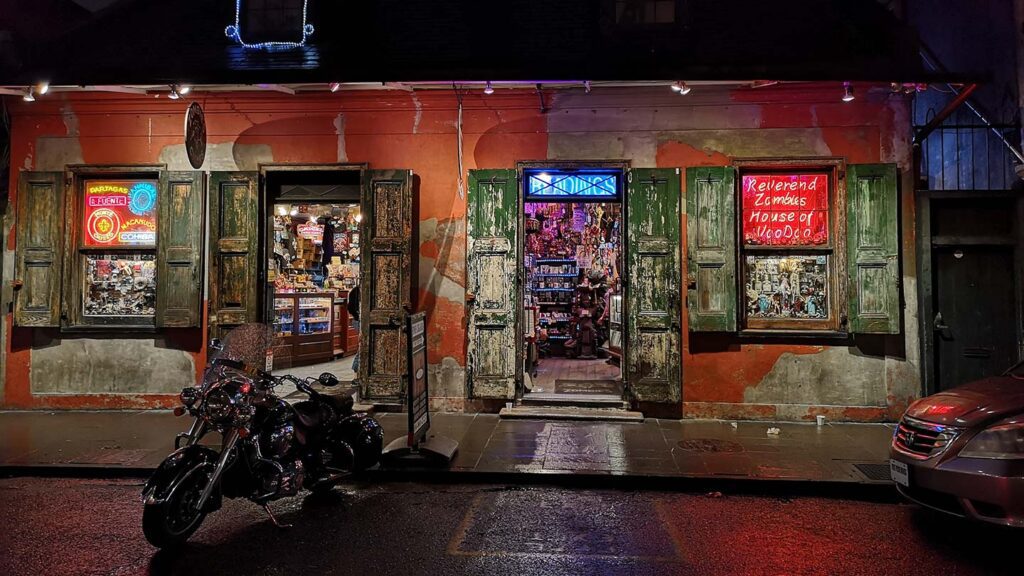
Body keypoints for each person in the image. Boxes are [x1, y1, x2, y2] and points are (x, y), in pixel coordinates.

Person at [347, 285, 360, 380]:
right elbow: (350, 307)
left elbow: (349, 307)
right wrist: (358, 316)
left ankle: (356, 373)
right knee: (363, 346)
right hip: (359, 321)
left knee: (362, 346)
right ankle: (356, 372)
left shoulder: (355, 291)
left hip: (357, 320)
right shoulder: (357, 291)